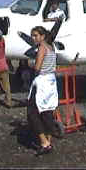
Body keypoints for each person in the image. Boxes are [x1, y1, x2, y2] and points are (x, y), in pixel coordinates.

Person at [27, 26, 59, 155]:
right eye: (32, 36)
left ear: (42, 36)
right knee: (48, 112)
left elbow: (37, 68)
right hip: (51, 82)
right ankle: (48, 141)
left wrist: (31, 63)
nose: (33, 38)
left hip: (42, 83)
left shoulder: (41, 48)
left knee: (32, 112)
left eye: (35, 35)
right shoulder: (51, 48)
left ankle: (44, 142)